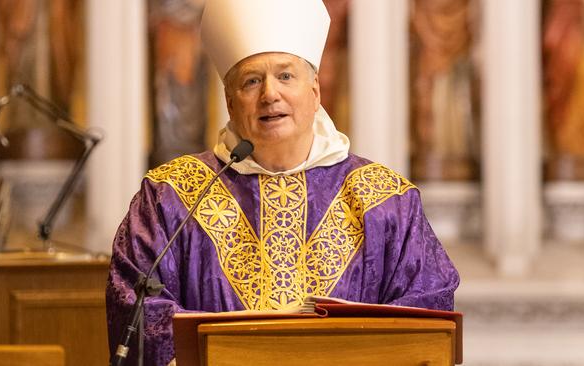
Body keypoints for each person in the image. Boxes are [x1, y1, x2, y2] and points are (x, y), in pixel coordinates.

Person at [106, 0, 460, 365]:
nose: (270, 94)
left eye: (286, 76)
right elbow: (136, 305)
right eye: (252, 80)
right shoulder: (172, 196)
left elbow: (426, 312)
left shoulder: (385, 199)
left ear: (316, 90)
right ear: (230, 101)